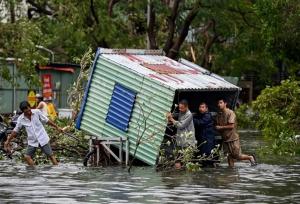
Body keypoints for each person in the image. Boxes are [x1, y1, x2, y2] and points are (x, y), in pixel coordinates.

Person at [4, 101, 64, 166]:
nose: (28, 111)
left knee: (51, 156)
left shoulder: (37, 112)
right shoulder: (21, 119)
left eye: (28, 108)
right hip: (32, 141)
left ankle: (56, 170)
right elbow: (15, 131)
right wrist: (8, 141)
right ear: (23, 111)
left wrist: (57, 127)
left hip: (42, 138)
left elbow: (47, 121)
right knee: (27, 157)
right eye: (25, 110)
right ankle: (34, 172)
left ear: (30, 107)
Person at [215, 98, 257, 167]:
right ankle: (231, 171)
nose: (219, 105)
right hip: (225, 139)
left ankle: (250, 157)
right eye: (218, 103)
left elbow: (231, 126)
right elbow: (217, 125)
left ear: (225, 104)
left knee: (237, 156)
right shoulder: (219, 115)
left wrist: (220, 127)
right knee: (229, 156)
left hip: (233, 138)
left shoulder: (231, 113)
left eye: (220, 103)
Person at [166, 100, 196, 168]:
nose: (180, 109)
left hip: (188, 143)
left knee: (186, 162)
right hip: (180, 141)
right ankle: (178, 177)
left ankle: (185, 177)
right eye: (179, 108)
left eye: (182, 108)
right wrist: (170, 118)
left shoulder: (189, 115)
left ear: (186, 107)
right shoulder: (181, 112)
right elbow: (176, 120)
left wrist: (171, 119)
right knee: (177, 160)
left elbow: (181, 126)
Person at [193, 102, 217, 166]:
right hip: (204, 139)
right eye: (200, 107)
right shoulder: (201, 115)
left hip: (208, 140)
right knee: (204, 158)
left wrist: (191, 119)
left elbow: (200, 123)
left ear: (206, 108)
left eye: (203, 107)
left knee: (208, 158)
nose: (201, 109)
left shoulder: (207, 116)